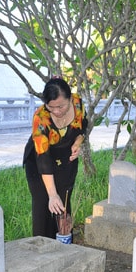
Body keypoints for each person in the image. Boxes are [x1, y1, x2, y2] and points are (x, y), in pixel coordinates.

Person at [23, 77, 88, 239]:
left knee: (63, 202)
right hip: (39, 162)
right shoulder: (41, 117)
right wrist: (51, 194)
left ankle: (64, 244)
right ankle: (43, 251)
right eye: (51, 107)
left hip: (66, 159)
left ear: (70, 99)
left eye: (61, 106)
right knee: (44, 204)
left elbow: (84, 126)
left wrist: (78, 143)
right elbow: (43, 157)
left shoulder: (78, 103)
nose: (57, 111)